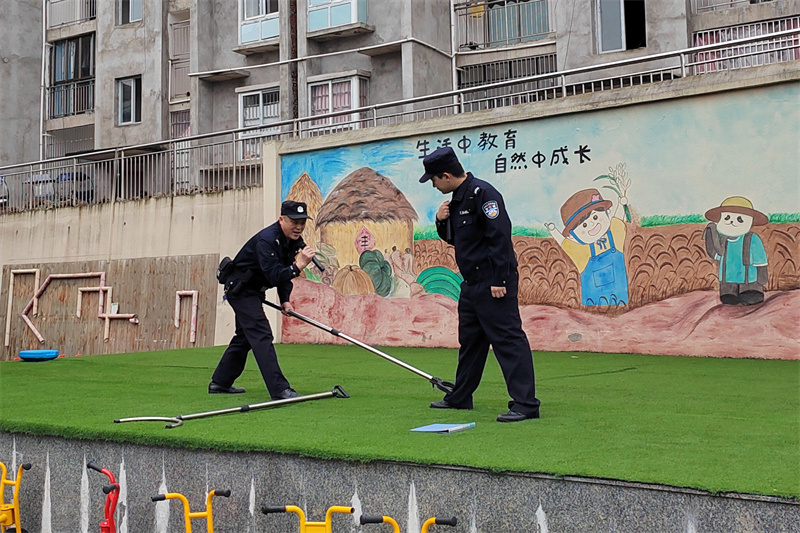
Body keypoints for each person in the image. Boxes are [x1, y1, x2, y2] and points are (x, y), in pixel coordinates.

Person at [419, 146, 541, 422]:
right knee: (470, 342)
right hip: (471, 283)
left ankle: (526, 404)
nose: (434, 186)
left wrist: (499, 279)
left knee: (508, 340)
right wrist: (440, 221)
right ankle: (460, 397)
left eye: (434, 180)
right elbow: (456, 239)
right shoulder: (457, 200)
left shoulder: (484, 194)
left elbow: (499, 236)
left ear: (446, 175)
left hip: (493, 282)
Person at [209, 200, 316, 399]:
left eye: (302, 222)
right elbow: (274, 275)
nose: (299, 227)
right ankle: (279, 389)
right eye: (294, 222)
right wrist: (299, 266)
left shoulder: (292, 241)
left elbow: (283, 273)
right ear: (282, 219)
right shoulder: (267, 240)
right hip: (240, 290)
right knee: (261, 333)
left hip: (254, 291)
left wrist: (285, 299)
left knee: (244, 337)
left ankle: (220, 382)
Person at [545, 188, 630, 306]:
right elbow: (565, 244)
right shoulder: (582, 253)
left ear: (607, 213)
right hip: (592, 310)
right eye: (584, 225)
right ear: (573, 236)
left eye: (595, 217)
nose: (592, 224)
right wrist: (553, 231)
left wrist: (622, 204)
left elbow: (618, 220)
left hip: (622, 305)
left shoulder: (615, 238)